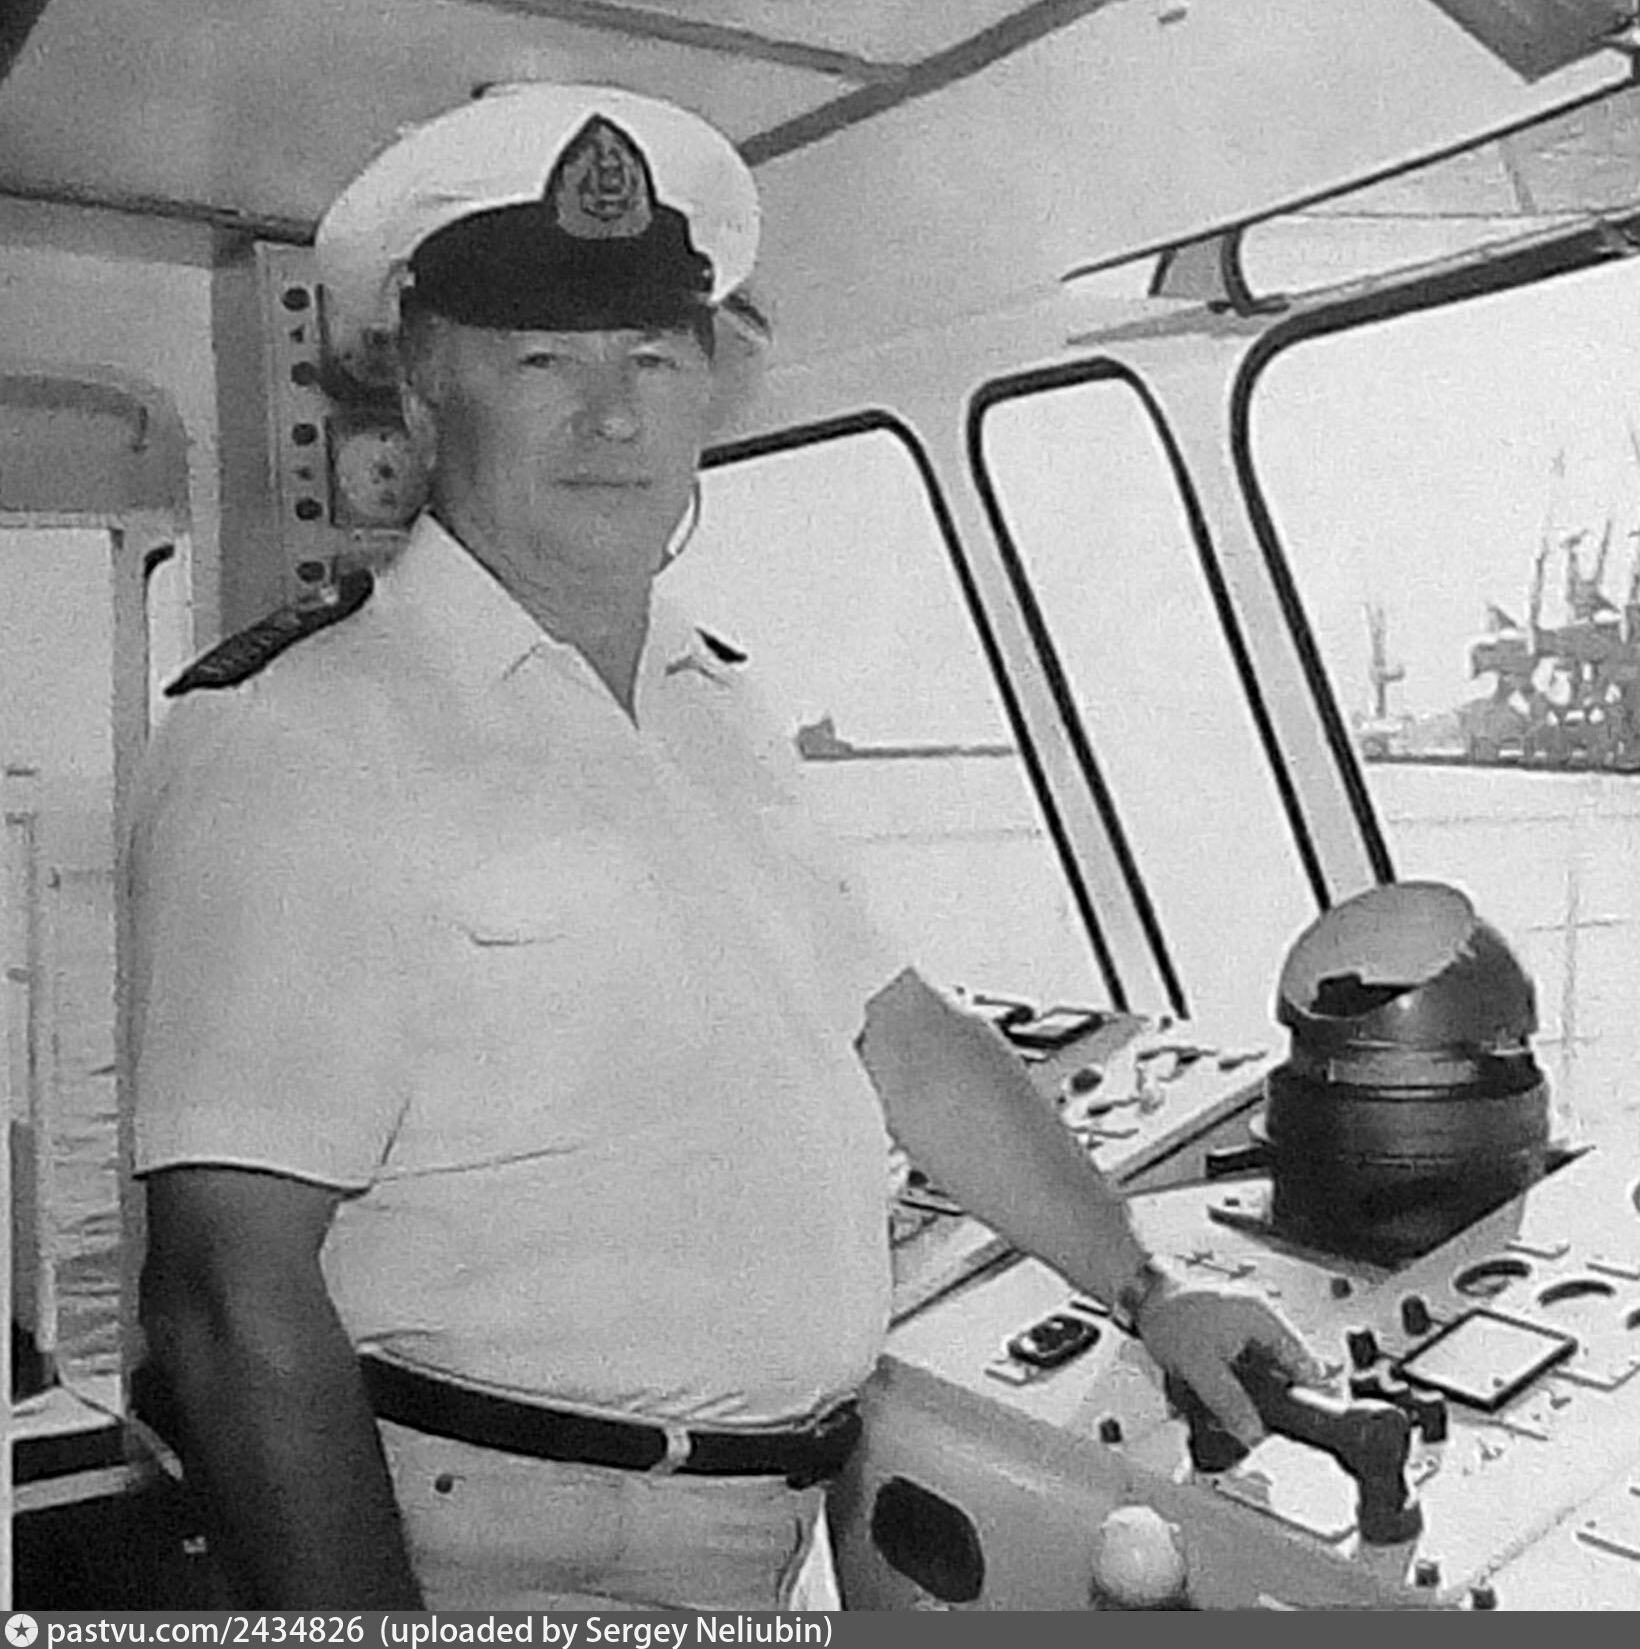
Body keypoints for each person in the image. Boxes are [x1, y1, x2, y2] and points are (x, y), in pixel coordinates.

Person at [125, 82, 1317, 1613]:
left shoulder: (717, 707)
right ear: (424, 386)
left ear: (707, 385)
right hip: (504, 1551)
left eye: (651, 355)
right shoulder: (298, 737)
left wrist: (1152, 1286)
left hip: (769, 1534)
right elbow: (226, 1293)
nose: (612, 416)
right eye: (542, 358)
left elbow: (903, 1037)